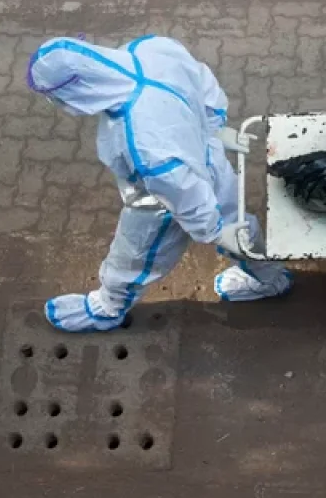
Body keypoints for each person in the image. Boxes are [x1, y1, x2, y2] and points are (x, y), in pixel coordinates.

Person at [27, 35, 293, 332]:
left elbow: (181, 192)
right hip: (206, 156)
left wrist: (213, 231)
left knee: (134, 257)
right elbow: (201, 79)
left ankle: (108, 308)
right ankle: (272, 277)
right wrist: (215, 128)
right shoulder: (149, 47)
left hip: (159, 202)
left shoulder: (140, 140)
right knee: (239, 225)